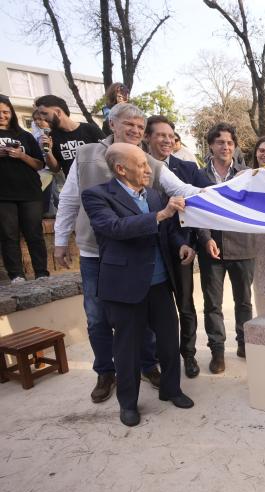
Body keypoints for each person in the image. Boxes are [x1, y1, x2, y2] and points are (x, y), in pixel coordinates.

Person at [54, 102, 202, 403]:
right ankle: (106, 373)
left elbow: (185, 192)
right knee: (100, 320)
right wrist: (60, 240)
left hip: (146, 265)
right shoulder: (86, 157)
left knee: (152, 326)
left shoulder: (149, 167)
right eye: (129, 125)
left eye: (139, 126)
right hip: (98, 256)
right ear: (112, 124)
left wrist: (232, 196)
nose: (135, 130)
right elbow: (72, 202)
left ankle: (150, 368)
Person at [81, 143, 196, 427]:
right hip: (125, 287)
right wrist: (160, 216)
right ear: (121, 169)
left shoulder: (155, 196)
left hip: (159, 285)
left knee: (169, 342)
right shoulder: (97, 196)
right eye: (142, 165)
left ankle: (171, 390)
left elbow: (167, 233)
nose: (148, 169)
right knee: (127, 350)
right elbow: (114, 229)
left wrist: (181, 245)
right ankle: (128, 404)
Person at [144, 115, 212, 378]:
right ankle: (158, 356)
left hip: (182, 247)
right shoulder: (139, 167)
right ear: (147, 138)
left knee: (185, 305)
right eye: (160, 135)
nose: (167, 140)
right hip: (151, 247)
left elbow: (205, 202)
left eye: (170, 135)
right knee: (155, 309)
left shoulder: (188, 169)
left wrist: (198, 241)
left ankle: (189, 355)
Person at [196, 123, 254, 374]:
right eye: (220, 142)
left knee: (244, 302)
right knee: (213, 304)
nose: (226, 147)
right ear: (211, 145)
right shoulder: (199, 176)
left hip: (243, 246)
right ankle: (217, 352)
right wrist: (205, 238)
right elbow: (196, 211)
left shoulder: (247, 175)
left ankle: (244, 345)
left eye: (230, 143)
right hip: (211, 248)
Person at [0, 95, 49, 283]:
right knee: (8, 234)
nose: (2, 116)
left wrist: (21, 156)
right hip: (3, 194)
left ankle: (42, 273)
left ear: (11, 113)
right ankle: (16, 275)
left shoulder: (25, 136)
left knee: (34, 233)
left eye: (5, 111)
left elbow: (39, 164)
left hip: (29, 191)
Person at [34, 95, 105, 178]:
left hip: (99, 183)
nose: (42, 118)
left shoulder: (90, 129)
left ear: (58, 112)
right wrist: (48, 152)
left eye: (44, 113)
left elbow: (109, 155)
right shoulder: (52, 136)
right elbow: (55, 169)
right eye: (40, 114)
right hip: (74, 186)